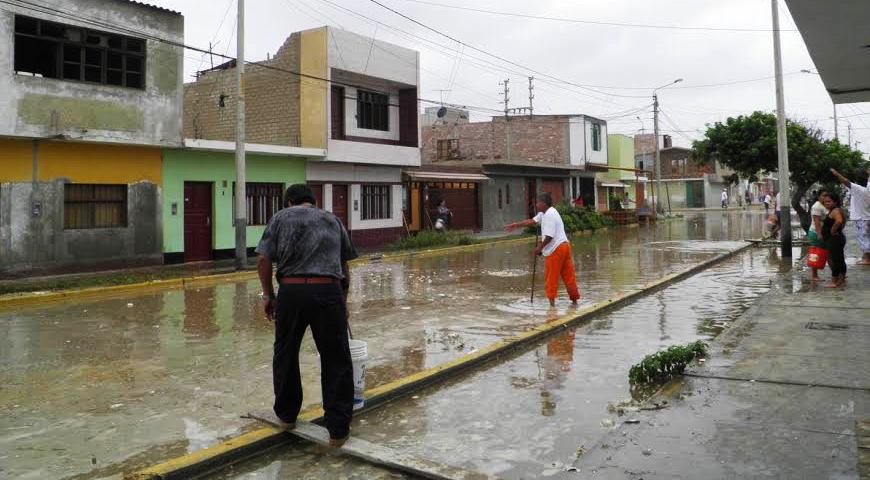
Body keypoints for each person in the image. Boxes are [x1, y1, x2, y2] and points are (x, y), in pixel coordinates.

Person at [255, 184, 358, 447]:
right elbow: (343, 264)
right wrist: (343, 301)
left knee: (286, 353)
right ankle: (337, 431)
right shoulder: (333, 220)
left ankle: (287, 417)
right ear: (312, 201)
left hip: (291, 292)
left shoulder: (280, 217)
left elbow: (263, 260)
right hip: (329, 292)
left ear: (289, 201)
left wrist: (268, 296)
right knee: (336, 358)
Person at [504, 192, 580, 307]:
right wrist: (516, 225)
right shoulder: (545, 213)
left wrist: (539, 248)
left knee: (551, 277)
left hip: (556, 249)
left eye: (538, 202)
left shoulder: (549, 215)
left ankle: (552, 305)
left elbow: (549, 236)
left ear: (544, 203)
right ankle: (574, 301)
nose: (536, 205)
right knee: (568, 275)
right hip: (564, 245)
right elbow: (531, 221)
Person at [830, 168, 870, 265]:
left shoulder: (860, 189)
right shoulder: (867, 188)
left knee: (863, 239)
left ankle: (867, 259)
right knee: (865, 238)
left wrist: (837, 174)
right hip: (865, 217)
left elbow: (846, 182)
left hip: (861, 218)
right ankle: (865, 257)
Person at [820, 191, 847, 288]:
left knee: (835, 260)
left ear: (835, 202)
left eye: (829, 201)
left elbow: (839, 221)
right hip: (837, 238)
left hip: (834, 239)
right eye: (825, 202)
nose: (826, 203)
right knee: (840, 259)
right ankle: (841, 279)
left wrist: (833, 229)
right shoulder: (835, 210)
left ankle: (834, 281)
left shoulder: (835, 211)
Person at [806, 189, 829, 282]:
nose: (825, 197)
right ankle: (814, 275)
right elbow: (817, 222)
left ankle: (837, 273)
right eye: (823, 195)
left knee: (826, 253)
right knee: (815, 253)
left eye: (826, 195)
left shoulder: (825, 205)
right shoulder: (817, 206)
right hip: (816, 233)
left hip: (822, 233)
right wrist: (819, 234)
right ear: (819, 196)